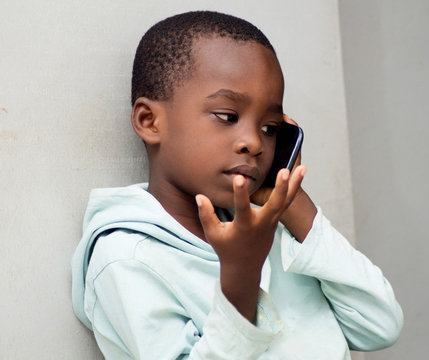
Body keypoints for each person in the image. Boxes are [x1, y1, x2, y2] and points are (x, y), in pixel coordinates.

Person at [71, 10, 403, 359]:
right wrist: (242, 275)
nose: (254, 143)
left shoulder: (271, 229)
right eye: (228, 117)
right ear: (150, 121)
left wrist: (292, 202)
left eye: (270, 128)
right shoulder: (129, 259)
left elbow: (378, 324)